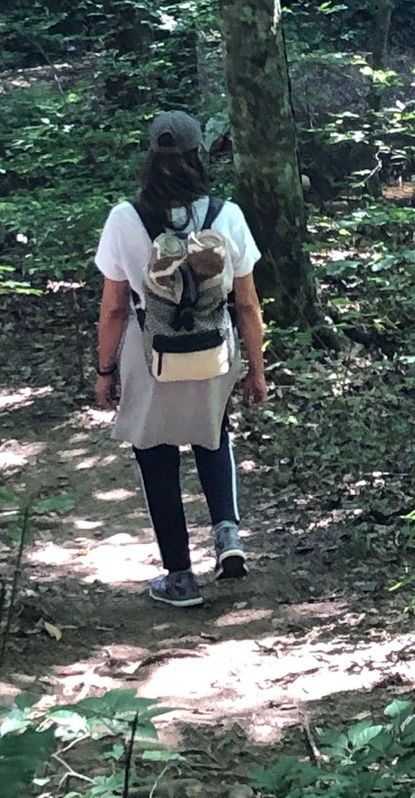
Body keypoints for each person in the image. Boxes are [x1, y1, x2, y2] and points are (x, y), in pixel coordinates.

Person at [93, 110, 268, 607]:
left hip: (151, 353)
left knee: (156, 454)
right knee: (213, 432)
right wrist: (256, 370)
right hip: (214, 351)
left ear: (151, 158)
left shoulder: (125, 218)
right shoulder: (227, 215)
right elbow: (247, 304)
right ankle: (227, 533)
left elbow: (113, 308)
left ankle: (180, 578)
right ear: (199, 156)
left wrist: (105, 371)